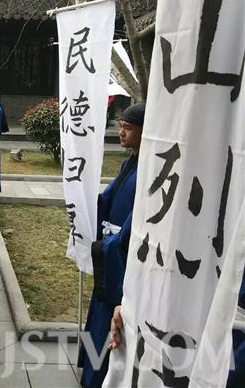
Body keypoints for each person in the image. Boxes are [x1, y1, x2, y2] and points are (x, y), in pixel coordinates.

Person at [78, 102, 145, 388]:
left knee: (114, 316)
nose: (121, 133)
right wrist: (83, 204)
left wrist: (112, 244)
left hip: (123, 255)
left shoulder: (150, 168)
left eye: (128, 128)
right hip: (111, 247)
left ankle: (101, 378)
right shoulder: (128, 161)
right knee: (100, 315)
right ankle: (91, 372)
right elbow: (108, 198)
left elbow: (138, 218)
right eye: (121, 126)